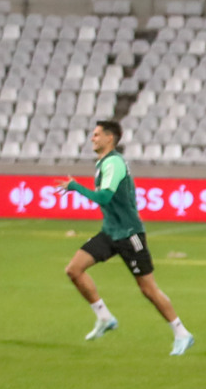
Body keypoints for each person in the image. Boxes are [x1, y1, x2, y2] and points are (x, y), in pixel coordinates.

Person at [58, 120, 193, 353]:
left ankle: (181, 332)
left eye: (97, 134)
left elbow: (104, 198)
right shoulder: (103, 163)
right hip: (110, 232)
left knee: (147, 288)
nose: (93, 138)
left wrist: (75, 187)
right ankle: (104, 317)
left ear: (110, 138)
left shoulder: (114, 164)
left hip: (130, 235)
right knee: (74, 269)